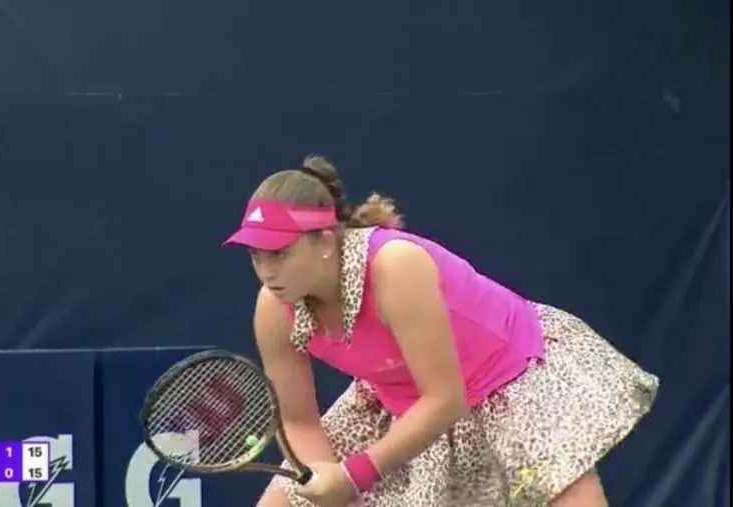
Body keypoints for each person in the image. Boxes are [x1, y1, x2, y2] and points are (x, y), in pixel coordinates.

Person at [222, 155, 659, 507]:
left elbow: (444, 399)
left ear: (324, 242)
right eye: (256, 255)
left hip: (509, 381)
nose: (266, 271)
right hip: (402, 402)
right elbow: (298, 421)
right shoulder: (273, 309)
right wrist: (327, 484)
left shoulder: (395, 266)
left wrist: (353, 477)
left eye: (280, 253)